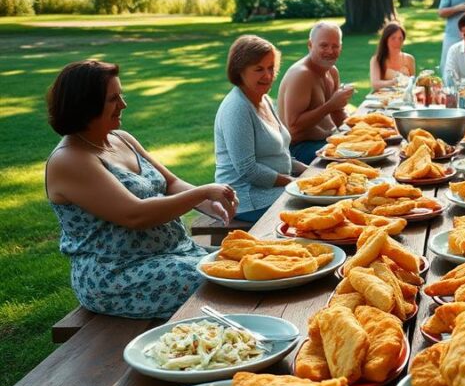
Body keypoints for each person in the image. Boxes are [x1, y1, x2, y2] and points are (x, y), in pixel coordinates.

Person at [44, 60, 237, 319]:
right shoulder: (70, 160)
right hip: (120, 273)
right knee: (227, 284)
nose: (123, 104)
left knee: (244, 265)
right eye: (113, 99)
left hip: (175, 254)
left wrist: (209, 204)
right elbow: (135, 215)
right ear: (85, 104)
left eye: (121, 95)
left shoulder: (122, 139)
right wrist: (202, 192)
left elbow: (170, 183)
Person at [215, 35, 306, 222]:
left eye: (271, 68)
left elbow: (279, 153)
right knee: (318, 207)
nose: (268, 75)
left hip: (273, 190)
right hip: (248, 199)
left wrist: (309, 171)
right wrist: (292, 182)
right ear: (240, 71)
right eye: (259, 69)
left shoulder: (263, 99)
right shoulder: (237, 108)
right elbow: (248, 170)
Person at [277, 21, 354, 163]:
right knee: (354, 162)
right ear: (310, 45)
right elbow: (293, 128)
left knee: (372, 150)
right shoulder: (302, 75)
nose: (330, 51)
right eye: (324, 45)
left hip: (327, 140)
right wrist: (330, 105)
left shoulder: (332, 71)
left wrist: (359, 131)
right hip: (299, 149)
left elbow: (338, 114)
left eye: (335, 46)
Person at [370, 21, 416, 90]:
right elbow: (375, 84)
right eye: (393, 38)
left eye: (400, 38)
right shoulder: (377, 60)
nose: (397, 42)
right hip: (383, 98)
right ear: (385, 40)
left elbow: (413, 83)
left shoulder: (409, 59)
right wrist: (394, 82)